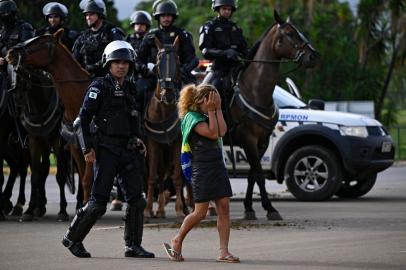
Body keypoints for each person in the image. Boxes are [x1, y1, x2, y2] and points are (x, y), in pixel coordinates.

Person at [62, 40, 154, 259]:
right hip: (105, 149)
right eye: (116, 62)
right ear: (108, 64)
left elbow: (134, 117)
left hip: (128, 149)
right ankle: (73, 239)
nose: (121, 66)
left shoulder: (131, 86)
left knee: (137, 200)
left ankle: (133, 246)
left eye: (125, 62)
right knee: (98, 203)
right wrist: (87, 149)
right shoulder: (98, 86)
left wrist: (138, 139)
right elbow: (82, 120)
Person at [162, 84, 239, 263]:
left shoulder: (207, 114)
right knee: (200, 213)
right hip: (202, 169)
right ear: (201, 101)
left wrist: (218, 109)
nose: (214, 102)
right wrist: (213, 111)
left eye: (216, 100)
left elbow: (222, 131)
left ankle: (223, 252)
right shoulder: (191, 118)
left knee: (224, 209)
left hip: (217, 166)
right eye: (211, 100)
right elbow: (212, 133)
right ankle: (177, 240)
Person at [136, 0, 199, 99]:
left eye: (169, 16)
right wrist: (148, 70)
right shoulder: (150, 36)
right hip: (154, 76)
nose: (166, 18)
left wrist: (183, 70)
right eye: (163, 16)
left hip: (178, 76)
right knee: (139, 90)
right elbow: (139, 59)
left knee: (195, 93)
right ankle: (137, 114)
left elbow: (193, 59)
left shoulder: (182, 34)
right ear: (158, 17)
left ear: (173, 17)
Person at [199, 0, 247, 103]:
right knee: (202, 93)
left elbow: (245, 50)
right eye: (224, 9)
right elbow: (205, 50)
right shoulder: (210, 26)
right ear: (217, 9)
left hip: (237, 68)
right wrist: (224, 53)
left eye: (229, 9)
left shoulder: (236, 28)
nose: (227, 11)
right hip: (218, 69)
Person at [73, 0, 124, 78]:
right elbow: (75, 59)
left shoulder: (112, 32)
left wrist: (95, 66)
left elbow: (119, 55)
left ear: (100, 15)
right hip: (84, 79)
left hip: (108, 78)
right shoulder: (82, 36)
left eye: (91, 14)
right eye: (86, 15)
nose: (88, 18)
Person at [0, 0, 34, 89]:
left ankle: (15, 95)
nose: (4, 16)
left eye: (5, 13)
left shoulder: (24, 27)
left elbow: (26, 44)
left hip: (19, 63)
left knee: (13, 70)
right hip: (2, 63)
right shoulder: (1, 31)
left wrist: (9, 56)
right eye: (1, 13)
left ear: (13, 13)